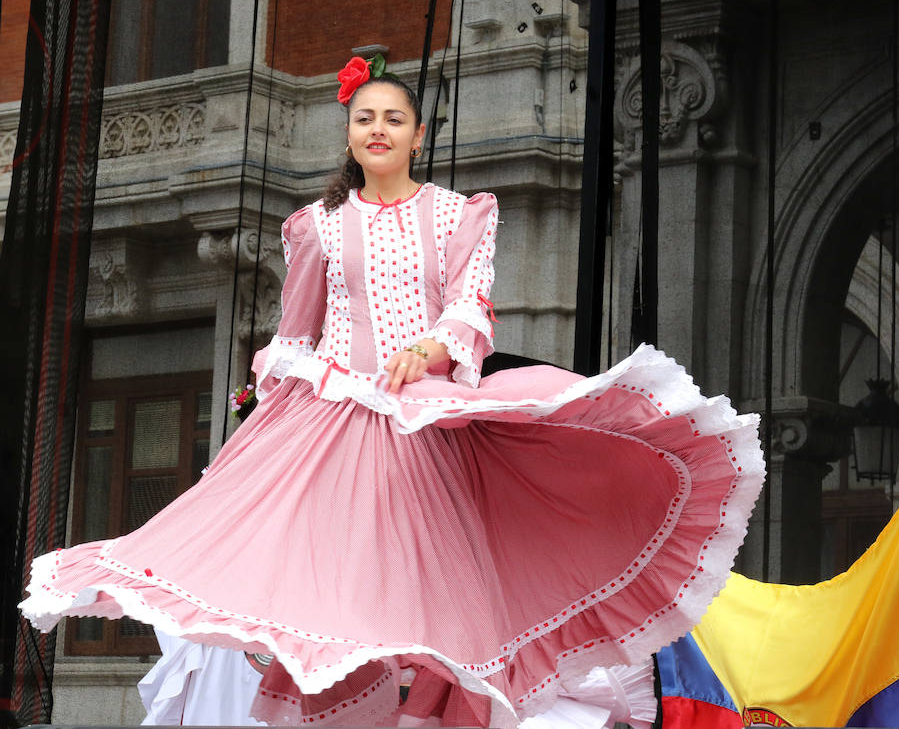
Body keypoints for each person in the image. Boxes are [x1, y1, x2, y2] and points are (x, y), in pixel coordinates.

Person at [20, 57, 765, 728]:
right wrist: (258, 436)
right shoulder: (316, 226)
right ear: (349, 134)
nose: (378, 129)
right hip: (332, 417)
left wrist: (433, 346)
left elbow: (472, 304)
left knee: (431, 600)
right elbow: (294, 336)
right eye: (365, 117)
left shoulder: (455, 215)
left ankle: (423, 703)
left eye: (393, 118)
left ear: (417, 135)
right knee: (325, 592)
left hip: (419, 425)